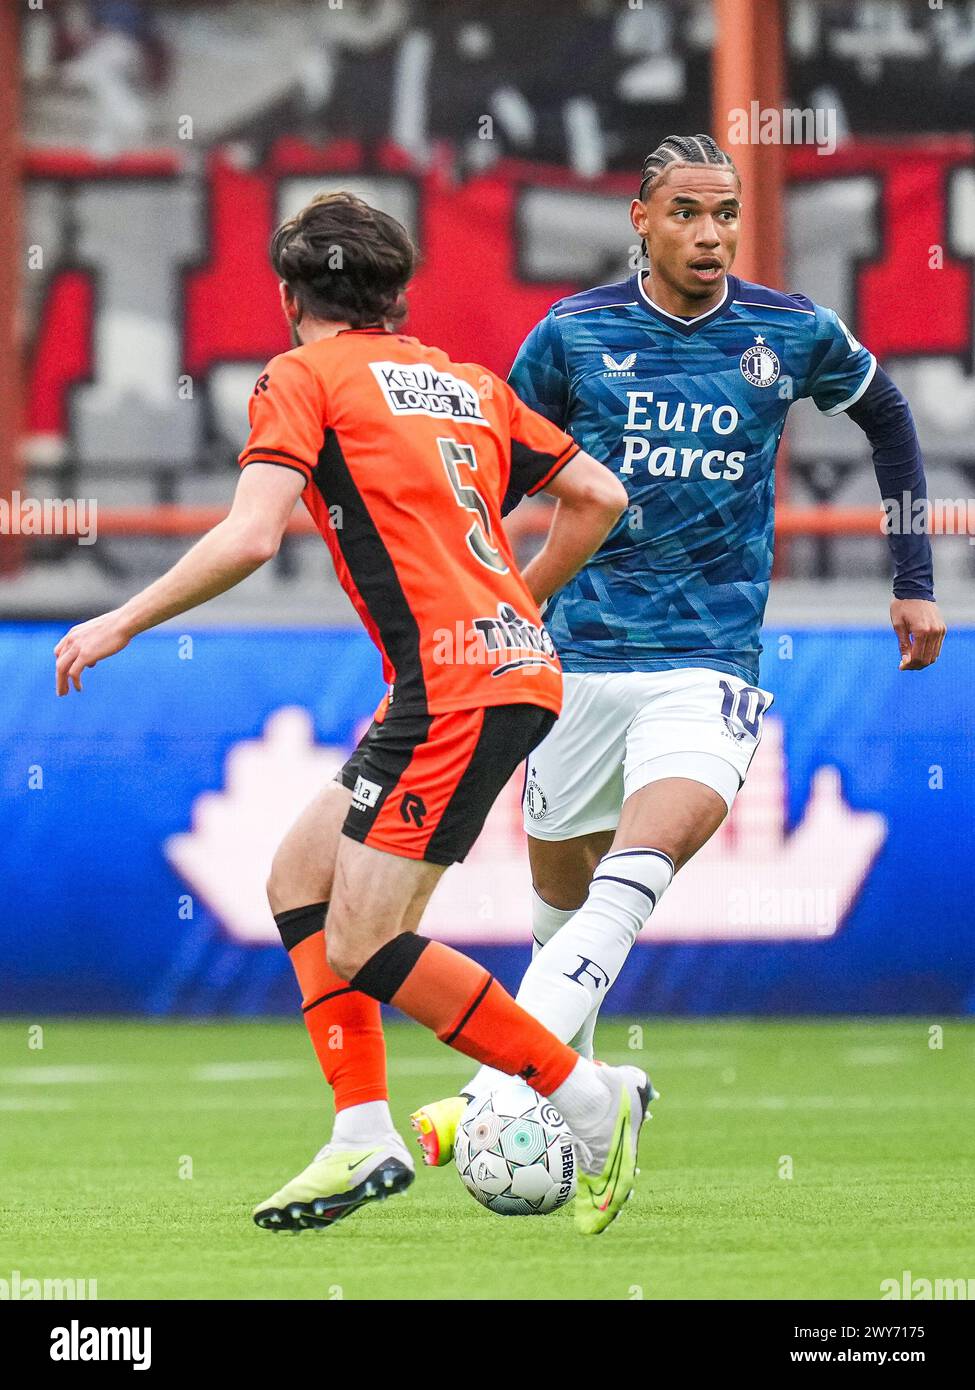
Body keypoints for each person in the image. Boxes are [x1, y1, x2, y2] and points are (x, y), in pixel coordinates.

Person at [54, 191, 650, 1236]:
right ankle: (361, 1130)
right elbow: (597, 494)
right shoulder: (464, 383)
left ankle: (584, 1095)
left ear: (292, 296)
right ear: (394, 291)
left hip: (456, 687)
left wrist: (126, 619)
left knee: (370, 939)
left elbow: (250, 537)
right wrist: (519, 600)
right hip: (482, 673)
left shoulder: (302, 375)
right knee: (299, 875)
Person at [410, 133, 947, 1167]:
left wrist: (914, 579)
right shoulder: (574, 335)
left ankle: (481, 1094)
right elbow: (498, 471)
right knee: (557, 913)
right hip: (576, 663)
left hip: (708, 663)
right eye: (689, 214)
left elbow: (887, 414)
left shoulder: (787, 332)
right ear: (642, 221)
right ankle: (600, 1092)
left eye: (726, 214)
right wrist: (473, 598)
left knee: (632, 878)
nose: (712, 234)